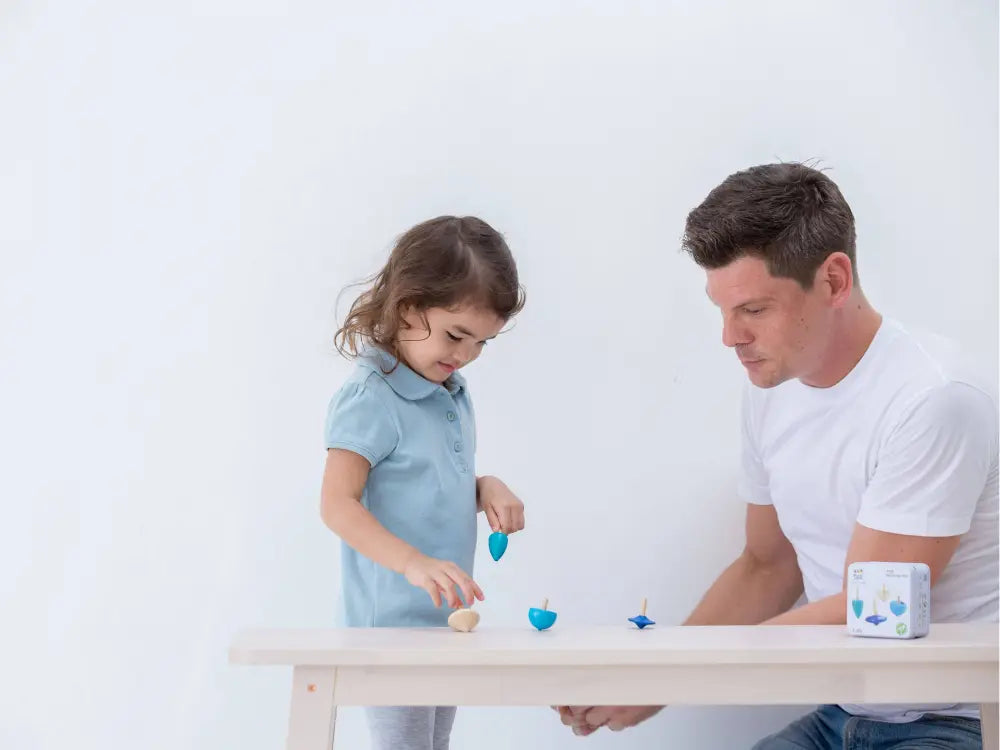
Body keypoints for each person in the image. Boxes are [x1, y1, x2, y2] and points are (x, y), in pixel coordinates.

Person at [555, 163, 998, 748]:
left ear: (834, 281)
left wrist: (679, 669)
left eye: (754, 310)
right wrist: (656, 676)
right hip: (840, 712)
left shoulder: (934, 397)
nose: (730, 337)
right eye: (722, 310)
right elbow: (768, 564)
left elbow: (878, 610)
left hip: (952, 719)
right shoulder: (772, 387)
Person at [321, 215, 527, 750]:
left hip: (443, 621)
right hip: (389, 627)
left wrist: (487, 486)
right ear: (408, 307)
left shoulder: (449, 392)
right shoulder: (371, 395)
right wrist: (413, 563)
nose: (465, 356)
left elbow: (429, 478)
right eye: (456, 335)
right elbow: (337, 504)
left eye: (482, 343)